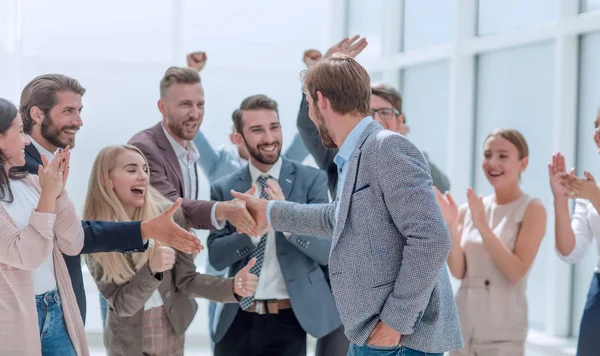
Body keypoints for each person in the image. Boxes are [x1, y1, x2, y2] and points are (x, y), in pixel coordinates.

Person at [231, 55, 463, 356]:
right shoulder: (354, 154)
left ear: (320, 101)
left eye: (309, 105)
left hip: (399, 338)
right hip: (372, 332)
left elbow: (432, 240)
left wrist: (393, 324)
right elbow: (339, 216)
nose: (312, 117)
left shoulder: (386, 147)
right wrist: (272, 212)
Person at [18, 74, 202, 326]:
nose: (79, 121)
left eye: (79, 110)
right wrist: (146, 229)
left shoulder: (50, 161)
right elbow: (70, 235)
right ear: (37, 115)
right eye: (69, 111)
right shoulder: (18, 166)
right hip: (31, 310)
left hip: (57, 308)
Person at [84, 144, 258, 356]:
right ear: (106, 180)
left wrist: (232, 287)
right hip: (127, 342)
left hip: (171, 327)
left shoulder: (170, 216)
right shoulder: (95, 235)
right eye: (131, 170)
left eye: (145, 169)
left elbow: (187, 280)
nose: (143, 177)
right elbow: (122, 306)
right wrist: (152, 270)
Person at [207, 94, 340, 356]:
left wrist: (286, 220)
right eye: (257, 130)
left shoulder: (311, 180)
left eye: (274, 127)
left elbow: (327, 251)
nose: (269, 138)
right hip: (236, 320)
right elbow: (217, 257)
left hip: (288, 321)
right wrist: (254, 232)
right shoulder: (225, 189)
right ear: (239, 138)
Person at [435, 129, 546, 356]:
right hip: (462, 327)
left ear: (523, 163)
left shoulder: (533, 209)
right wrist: (450, 225)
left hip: (503, 332)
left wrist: (483, 227)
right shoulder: (470, 209)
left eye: (503, 156)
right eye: (487, 155)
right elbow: (459, 271)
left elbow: (516, 272)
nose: (492, 162)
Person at [297, 37, 450, 198]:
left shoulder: (407, 156)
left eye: (385, 112)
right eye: (369, 112)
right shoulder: (341, 155)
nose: (376, 119)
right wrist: (322, 72)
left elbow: (442, 186)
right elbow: (309, 126)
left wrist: (403, 145)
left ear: (399, 121)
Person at [0, 98, 87, 355]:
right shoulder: (39, 188)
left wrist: (58, 193)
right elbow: (27, 255)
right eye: (19, 131)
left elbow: (73, 242)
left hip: (56, 307)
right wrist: (48, 197)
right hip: (15, 320)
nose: (26, 141)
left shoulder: (29, 181)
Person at [128, 66, 258, 236]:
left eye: (200, 105)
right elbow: (171, 207)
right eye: (185, 104)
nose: (195, 114)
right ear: (162, 107)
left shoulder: (188, 151)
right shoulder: (144, 148)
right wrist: (223, 209)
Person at [549, 110, 600, 356]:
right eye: (597, 125)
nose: (597, 133)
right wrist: (560, 200)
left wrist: (595, 196)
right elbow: (570, 251)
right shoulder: (589, 190)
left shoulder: (591, 192)